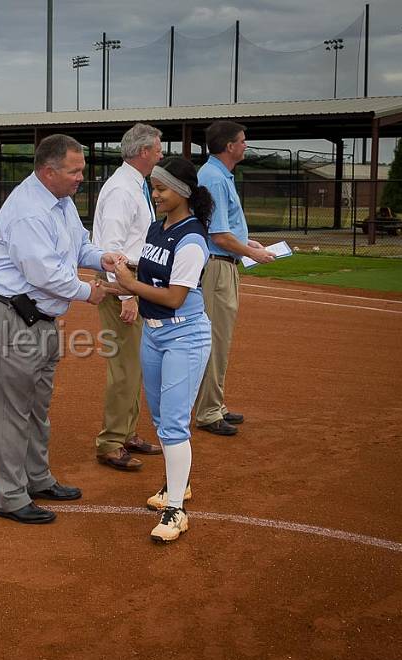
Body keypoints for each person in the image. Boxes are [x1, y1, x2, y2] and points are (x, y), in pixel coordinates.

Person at [0, 133, 121, 525]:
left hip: (40, 319)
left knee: (36, 406)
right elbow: (45, 274)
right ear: (48, 171)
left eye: (82, 170)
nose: (81, 178)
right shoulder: (29, 210)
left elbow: (79, 248)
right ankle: (9, 495)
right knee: (10, 410)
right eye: (74, 171)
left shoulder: (61, 203)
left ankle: (36, 478)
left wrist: (103, 257)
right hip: (10, 316)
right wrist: (90, 292)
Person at [110, 157, 215, 542]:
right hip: (154, 335)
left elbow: (173, 296)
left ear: (183, 192)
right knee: (161, 417)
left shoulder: (192, 238)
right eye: (153, 187)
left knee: (172, 423)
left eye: (161, 188)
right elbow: (149, 271)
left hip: (184, 335)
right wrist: (120, 276)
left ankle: (176, 511)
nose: (154, 194)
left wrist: (128, 284)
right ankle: (178, 484)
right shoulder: (158, 227)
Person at [90, 123, 165, 472]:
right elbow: (112, 248)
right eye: (158, 147)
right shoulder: (122, 189)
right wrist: (126, 296)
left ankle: (127, 432)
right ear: (143, 152)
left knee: (135, 364)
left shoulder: (134, 185)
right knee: (124, 366)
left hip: (132, 280)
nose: (161, 153)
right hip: (121, 281)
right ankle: (110, 442)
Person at [194, 121, 275, 436]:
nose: (245, 145)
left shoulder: (218, 175)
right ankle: (208, 411)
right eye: (242, 141)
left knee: (221, 338)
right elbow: (218, 234)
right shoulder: (213, 178)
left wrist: (247, 244)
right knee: (215, 338)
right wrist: (250, 253)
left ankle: (215, 403)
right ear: (229, 146)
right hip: (216, 265)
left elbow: (227, 231)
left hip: (224, 262)